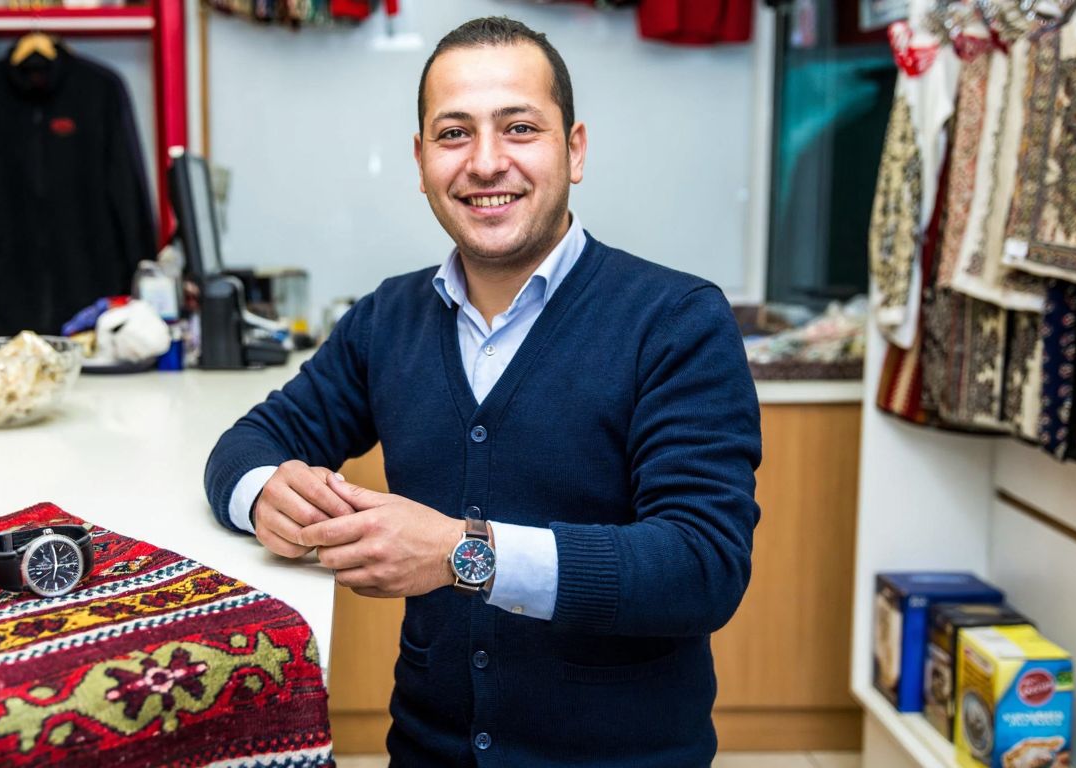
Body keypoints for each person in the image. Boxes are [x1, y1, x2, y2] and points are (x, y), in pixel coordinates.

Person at [204, 16, 761, 767]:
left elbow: (702, 565)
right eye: (454, 133)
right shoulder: (386, 319)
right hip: (428, 753)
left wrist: (467, 555)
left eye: (520, 127)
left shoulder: (675, 320)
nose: (486, 162)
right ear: (422, 158)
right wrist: (265, 490)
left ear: (576, 149)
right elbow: (246, 444)